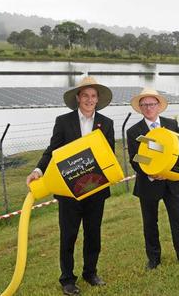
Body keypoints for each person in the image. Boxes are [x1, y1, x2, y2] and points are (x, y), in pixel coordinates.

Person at [26, 76, 114, 295]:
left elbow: (109, 155)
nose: (89, 99)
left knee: (93, 233)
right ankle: (67, 279)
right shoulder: (63, 121)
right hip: (68, 192)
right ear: (78, 98)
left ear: (98, 99)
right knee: (69, 235)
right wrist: (38, 170)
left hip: (95, 189)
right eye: (85, 95)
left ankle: (90, 273)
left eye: (93, 96)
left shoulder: (107, 123)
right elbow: (52, 151)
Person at [127, 88, 179, 270]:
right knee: (150, 223)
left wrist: (174, 170)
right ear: (140, 107)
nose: (148, 108)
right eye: (144, 105)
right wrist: (151, 173)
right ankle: (153, 260)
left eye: (152, 104)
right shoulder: (134, 131)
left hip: (172, 182)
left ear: (159, 106)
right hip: (148, 184)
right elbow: (136, 158)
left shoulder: (171, 125)